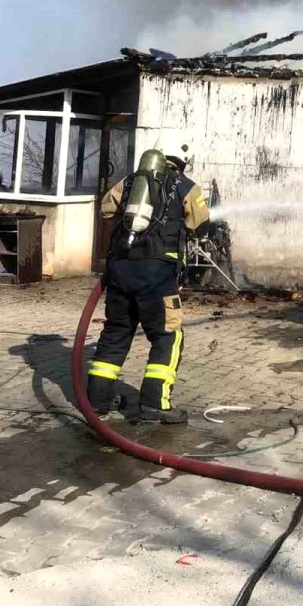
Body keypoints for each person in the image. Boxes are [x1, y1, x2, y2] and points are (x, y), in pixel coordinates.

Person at [86, 133, 210, 423]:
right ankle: (155, 404)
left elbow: (106, 208)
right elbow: (199, 222)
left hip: (120, 268)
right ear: (183, 160)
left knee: (116, 332)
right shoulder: (187, 186)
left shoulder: (130, 181)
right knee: (168, 335)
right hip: (157, 274)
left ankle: (98, 400)